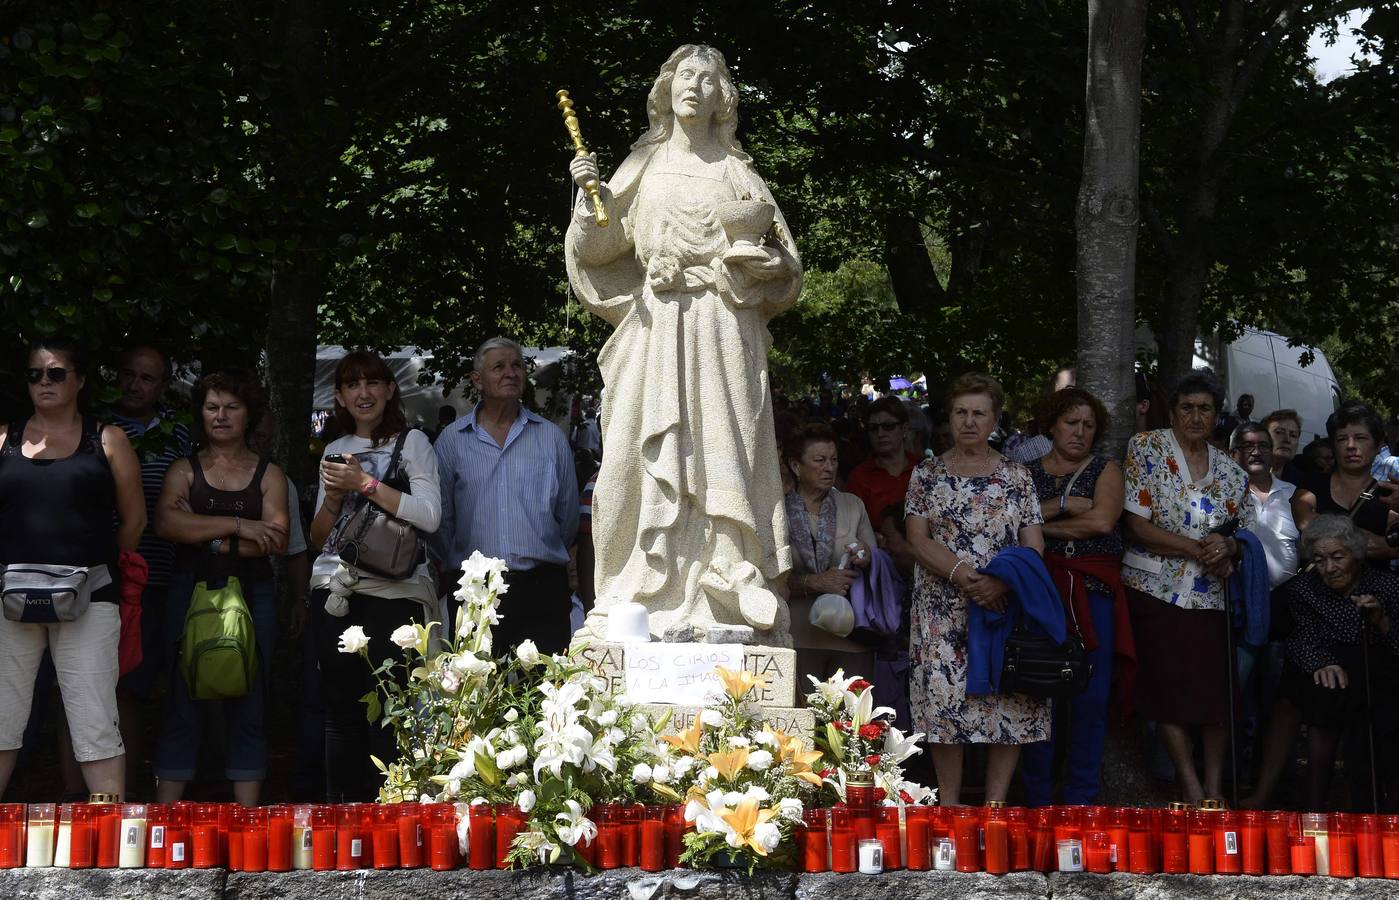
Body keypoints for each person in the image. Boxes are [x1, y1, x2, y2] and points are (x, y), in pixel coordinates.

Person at [564, 44, 800, 643]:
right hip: (655, 330)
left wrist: (764, 265)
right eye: (683, 76)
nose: (694, 86)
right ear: (666, 89)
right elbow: (597, 251)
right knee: (629, 458)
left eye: (707, 78)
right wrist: (591, 205)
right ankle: (633, 585)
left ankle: (726, 576)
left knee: (726, 454)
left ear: (724, 96)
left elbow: (785, 265)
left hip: (723, 329)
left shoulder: (738, 172)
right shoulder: (642, 163)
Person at [0, 337, 145, 799]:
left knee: (95, 718)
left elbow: (135, 519)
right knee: (1, 716)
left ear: (80, 381)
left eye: (56, 373)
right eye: (35, 374)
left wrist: (92, 567)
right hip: (9, 599)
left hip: (90, 597)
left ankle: (111, 846)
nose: (44, 382)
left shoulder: (108, 439)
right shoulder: (3, 438)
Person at [904, 373, 1046, 805]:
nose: (969, 421)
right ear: (949, 417)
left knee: (1008, 703)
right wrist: (967, 577)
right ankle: (949, 805)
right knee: (946, 706)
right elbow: (918, 538)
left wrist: (1001, 582)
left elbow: (1034, 544)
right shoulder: (926, 473)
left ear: (995, 418)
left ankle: (996, 806)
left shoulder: (1018, 477)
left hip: (1003, 604)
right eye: (961, 412)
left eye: (979, 413)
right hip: (942, 610)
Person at [309, 351, 441, 801]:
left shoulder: (414, 442)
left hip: (395, 592)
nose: (363, 393)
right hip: (336, 590)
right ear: (341, 397)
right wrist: (331, 498)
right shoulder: (330, 449)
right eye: (352, 385)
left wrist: (364, 483)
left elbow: (430, 516)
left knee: (395, 708)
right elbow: (317, 537)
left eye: (372, 383)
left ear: (389, 390)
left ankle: (394, 818)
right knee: (340, 712)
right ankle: (342, 823)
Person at [152, 371, 288, 805]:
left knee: (250, 695)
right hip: (188, 589)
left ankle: (248, 819)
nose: (221, 415)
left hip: (255, 593)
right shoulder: (183, 469)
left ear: (248, 415)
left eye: (231, 407)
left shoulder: (270, 475)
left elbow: (275, 541)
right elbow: (166, 524)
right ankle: (166, 816)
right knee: (181, 695)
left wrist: (204, 534)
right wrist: (239, 525)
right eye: (212, 407)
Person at [1120, 370, 1254, 805]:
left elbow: (1243, 535)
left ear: (1217, 416)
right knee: (1168, 691)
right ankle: (1189, 785)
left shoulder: (1233, 474)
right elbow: (1137, 526)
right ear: (1173, 411)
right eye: (1187, 408)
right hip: (1154, 588)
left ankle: (1214, 788)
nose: (1196, 417)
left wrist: (1228, 547)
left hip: (1209, 596)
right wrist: (1197, 548)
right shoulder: (1147, 448)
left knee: (1215, 694)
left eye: (1205, 409)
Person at [433, 337, 578, 654]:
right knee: (477, 693)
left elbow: (566, 517)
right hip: (476, 588)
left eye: (517, 365)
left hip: (542, 586)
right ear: (477, 380)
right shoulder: (452, 441)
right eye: (498, 366)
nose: (510, 373)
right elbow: (442, 520)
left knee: (546, 691)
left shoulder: (551, 438)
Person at [1018, 388, 1126, 806]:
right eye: (1071, 422)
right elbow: (1012, 518)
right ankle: (1036, 802)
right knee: (1035, 690)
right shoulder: (1023, 471)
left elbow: (1101, 522)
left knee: (1091, 696)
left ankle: (1081, 800)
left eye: (1088, 425)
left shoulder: (1105, 469)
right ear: (1051, 425)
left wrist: (1040, 526)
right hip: (1038, 593)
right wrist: (1063, 503)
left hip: (1092, 592)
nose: (1080, 432)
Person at [108, 344, 192, 797]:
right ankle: (120, 784)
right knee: (122, 684)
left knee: (165, 683)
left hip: (168, 574)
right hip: (115, 578)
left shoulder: (177, 433)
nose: (136, 386)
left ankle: (155, 782)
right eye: (129, 375)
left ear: (162, 385)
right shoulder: (98, 429)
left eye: (147, 379)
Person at [1283, 515, 1399, 809]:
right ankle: (1317, 799)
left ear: (1356, 555)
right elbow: (1302, 635)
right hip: (1333, 670)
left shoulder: (1387, 585)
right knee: (1325, 690)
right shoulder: (1304, 590)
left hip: (1381, 670)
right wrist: (1322, 662)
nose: (1330, 568)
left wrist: (1380, 620)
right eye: (1320, 560)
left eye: (1338, 557)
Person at [783, 423, 878, 691]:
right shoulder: (778, 510)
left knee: (851, 726)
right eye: (820, 460)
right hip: (797, 636)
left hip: (850, 635)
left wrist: (866, 555)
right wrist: (816, 582)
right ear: (796, 466)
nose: (829, 467)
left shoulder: (852, 504)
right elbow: (768, 572)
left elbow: (875, 559)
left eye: (834, 460)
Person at [1292, 402, 1399, 567]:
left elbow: (1393, 549)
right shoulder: (1312, 483)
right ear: (1334, 446)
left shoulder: (1388, 496)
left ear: (1378, 445)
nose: (1350, 446)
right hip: (1316, 589)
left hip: (1373, 590)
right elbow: (1306, 522)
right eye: (1342, 439)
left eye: (1360, 438)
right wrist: (1377, 543)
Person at [845, 398, 919, 564]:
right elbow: (850, 531)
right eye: (873, 428)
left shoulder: (925, 470)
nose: (880, 434)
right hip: (882, 563)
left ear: (905, 429)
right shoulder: (859, 477)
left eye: (888, 426)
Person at [1231, 422, 1300, 588]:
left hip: (1286, 601)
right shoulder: (1223, 496)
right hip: (1237, 599)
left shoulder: (1294, 494)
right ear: (1233, 453)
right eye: (1248, 446)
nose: (1256, 452)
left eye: (1263, 446)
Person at [1262, 409, 1304, 484]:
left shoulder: (1304, 483)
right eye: (1279, 432)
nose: (1287, 439)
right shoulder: (1240, 476)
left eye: (1293, 435)